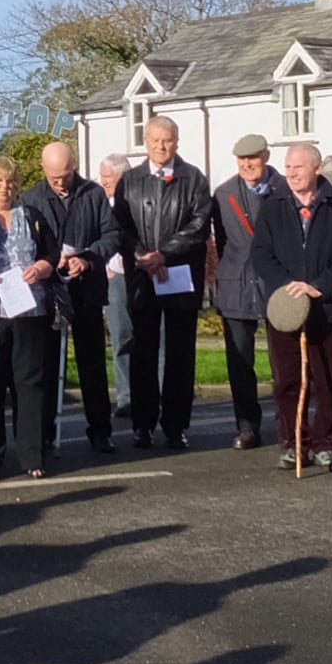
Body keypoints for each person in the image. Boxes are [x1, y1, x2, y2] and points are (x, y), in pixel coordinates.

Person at [249, 143, 332, 473]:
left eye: (298, 167)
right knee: (287, 380)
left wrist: (318, 286)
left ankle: (326, 443)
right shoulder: (272, 208)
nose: (292, 173)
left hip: (326, 309)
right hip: (285, 309)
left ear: (317, 169)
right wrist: (288, 287)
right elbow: (261, 254)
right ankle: (292, 442)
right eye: (288, 167)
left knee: (328, 381)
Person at [111, 116, 212, 451]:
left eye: (167, 140)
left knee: (180, 355)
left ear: (177, 141)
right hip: (143, 276)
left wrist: (164, 254)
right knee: (143, 352)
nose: (160, 146)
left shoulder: (193, 178)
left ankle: (175, 426)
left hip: (179, 275)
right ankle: (142, 424)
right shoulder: (130, 180)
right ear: (146, 141)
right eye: (155, 140)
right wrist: (143, 255)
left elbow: (199, 225)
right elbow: (121, 226)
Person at [0, 156, 62, 480]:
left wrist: (44, 267)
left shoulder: (31, 215)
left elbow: (52, 252)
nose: (5, 188)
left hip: (29, 312)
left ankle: (32, 455)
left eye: (10, 182)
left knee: (30, 383)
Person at [21, 141, 119, 454]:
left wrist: (88, 258)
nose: (60, 182)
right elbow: (26, 245)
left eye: (64, 175)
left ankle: (100, 430)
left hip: (87, 289)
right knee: (47, 365)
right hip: (49, 293)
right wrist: (49, 261)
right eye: (53, 177)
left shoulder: (93, 193)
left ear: (73, 166)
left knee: (92, 365)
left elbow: (112, 235)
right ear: (43, 170)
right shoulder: (31, 199)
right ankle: (45, 433)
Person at [209, 135, 287, 452]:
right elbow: (221, 241)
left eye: (252, 158)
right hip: (236, 284)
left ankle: (288, 422)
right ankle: (247, 426)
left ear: (266, 156)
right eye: (241, 160)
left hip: (277, 284)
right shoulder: (224, 193)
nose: (247, 165)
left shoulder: (285, 189)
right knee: (240, 362)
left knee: (283, 360)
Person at [98, 153, 136, 431]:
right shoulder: (102, 203)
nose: (104, 183)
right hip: (114, 277)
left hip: (141, 274)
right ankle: (125, 396)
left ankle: (150, 394)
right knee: (121, 336)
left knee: (147, 337)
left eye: (108, 179)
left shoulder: (135, 200)